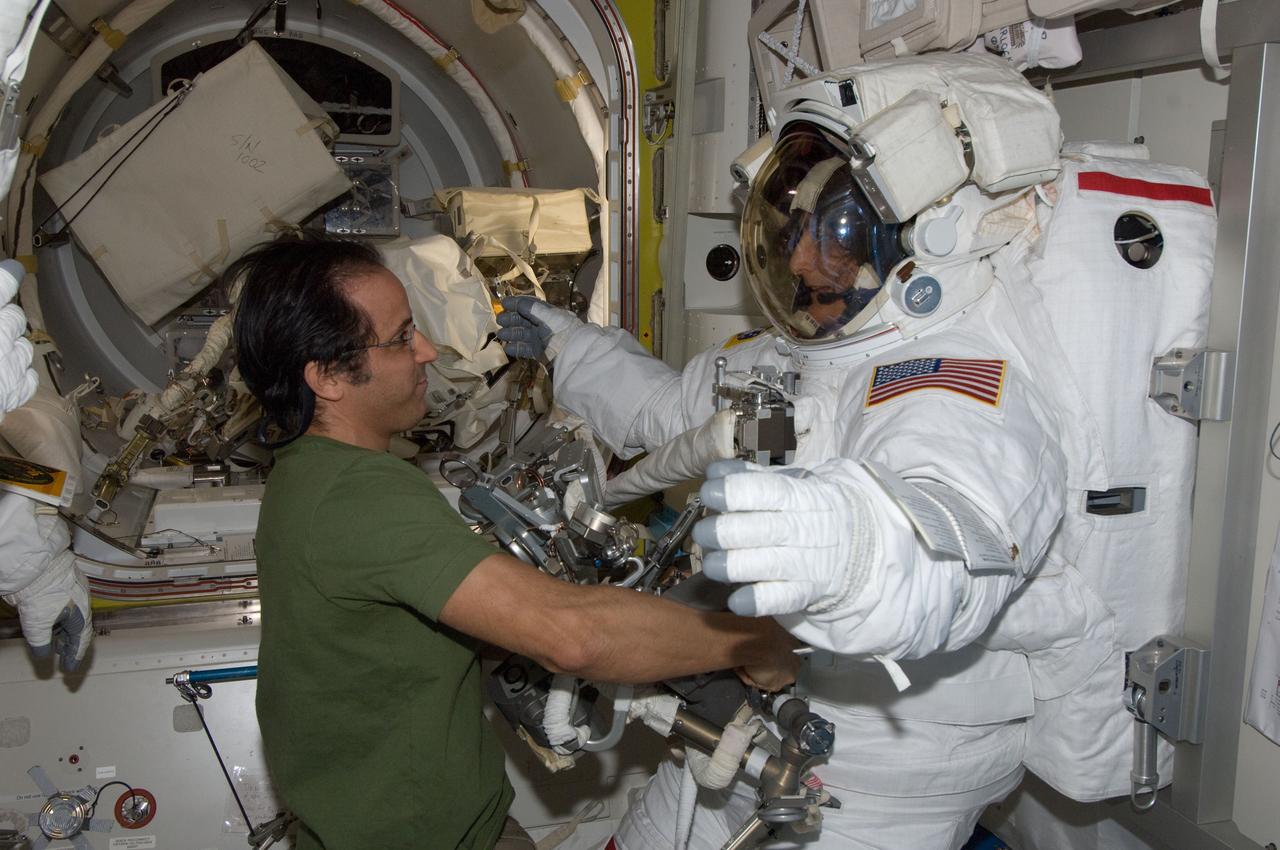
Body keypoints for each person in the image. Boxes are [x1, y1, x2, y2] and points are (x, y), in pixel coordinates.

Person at [496, 107, 1073, 847]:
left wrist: (859, 548)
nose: (801, 262)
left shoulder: (951, 379)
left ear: (917, 241)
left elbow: (956, 537)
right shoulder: (789, 356)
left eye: (830, 234)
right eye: (793, 233)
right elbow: (671, 416)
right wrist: (573, 347)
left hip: (878, 776)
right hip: (750, 728)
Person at [228, 233, 802, 850]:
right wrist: (753, 641)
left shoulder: (308, 472)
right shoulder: (360, 495)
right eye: (399, 340)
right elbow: (575, 638)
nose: (426, 350)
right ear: (328, 377)